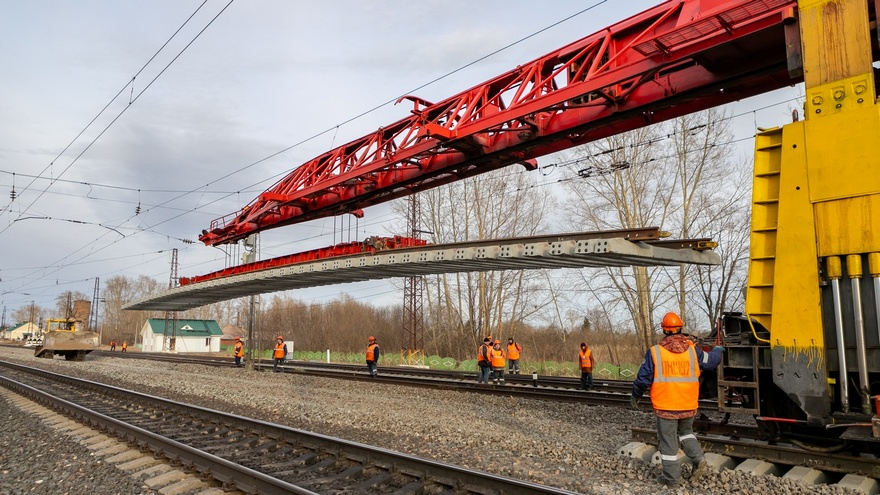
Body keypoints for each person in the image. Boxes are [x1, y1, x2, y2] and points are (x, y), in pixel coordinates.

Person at [630, 312, 724, 488]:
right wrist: (718, 351)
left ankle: (672, 479)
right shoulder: (692, 350)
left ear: (664, 330)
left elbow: (642, 379)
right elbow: (710, 361)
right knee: (686, 433)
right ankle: (698, 458)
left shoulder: (655, 352)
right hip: (688, 404)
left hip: (666, 406)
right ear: (680, 328)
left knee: (668, 443)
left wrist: (635, 395)